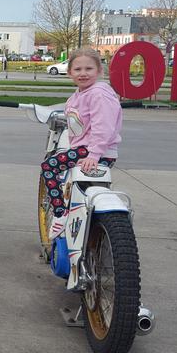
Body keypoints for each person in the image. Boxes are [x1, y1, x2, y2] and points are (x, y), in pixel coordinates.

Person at [41, 47, 122, 239]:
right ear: (69, 72)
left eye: (89, 69)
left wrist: (94, 154)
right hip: (89, 150)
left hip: (92, 152)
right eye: (77, 69)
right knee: (78, 189)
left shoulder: (98, 94)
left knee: (49, 166)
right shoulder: (80, 95)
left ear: (99, 71)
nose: (83, 73)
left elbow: (103, 126)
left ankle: (60, 214)